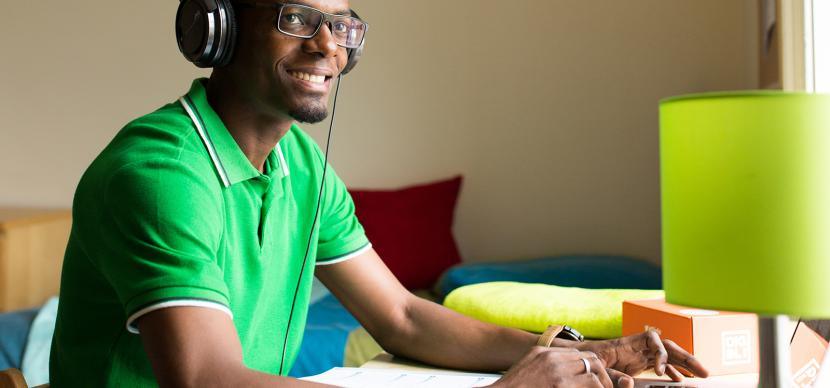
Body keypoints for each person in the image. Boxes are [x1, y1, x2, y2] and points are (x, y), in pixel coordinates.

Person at [50, 0, 709, 387]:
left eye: (342, 26)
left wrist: (576, 352)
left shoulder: (302, 168)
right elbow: (206, 378)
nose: (327, 46)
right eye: (298, 17)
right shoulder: (160, 175)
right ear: (216, 29)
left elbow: (402, 317)